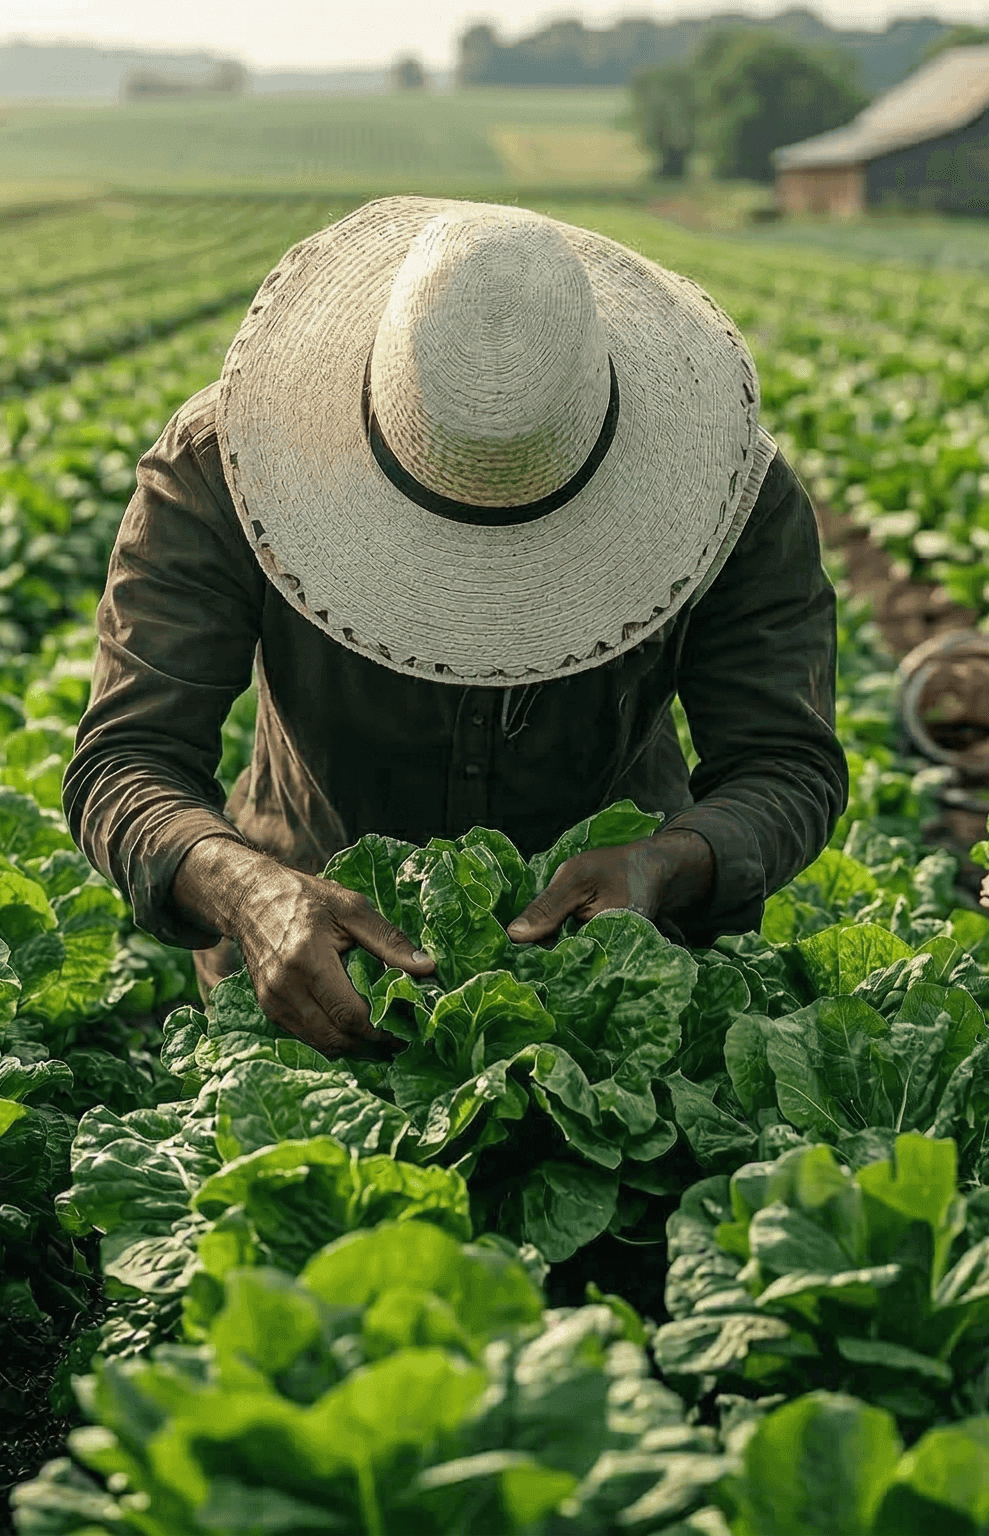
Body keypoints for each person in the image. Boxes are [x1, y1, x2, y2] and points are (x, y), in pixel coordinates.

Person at [62, 197, 846, 1057]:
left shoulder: (727, 494)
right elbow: (125, 761)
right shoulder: (221, 467)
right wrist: (248, 892)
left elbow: (786, 764)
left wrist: (672, 862)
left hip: (620, 993)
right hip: (306, 990)